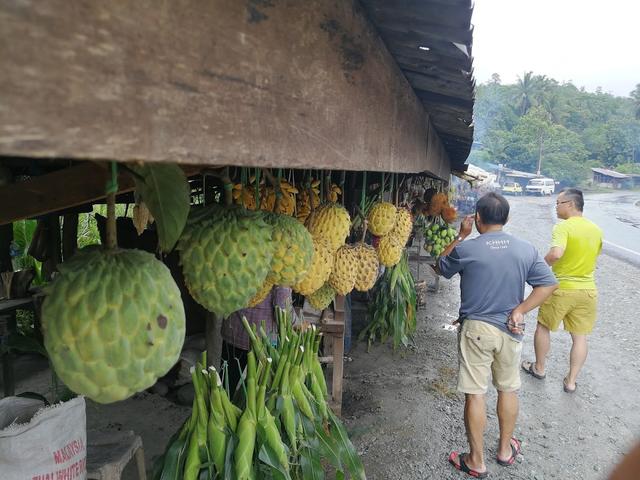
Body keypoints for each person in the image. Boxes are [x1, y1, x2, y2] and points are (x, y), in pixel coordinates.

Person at [436, 192, 557, 478]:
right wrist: (520, 310)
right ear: (507, 219)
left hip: (476, 330)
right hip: (510, 330)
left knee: (475, 394)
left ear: (477, 218)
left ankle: (476, 461)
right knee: (508, 388)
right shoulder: (525, 249)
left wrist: (461, 236)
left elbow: (441, 266)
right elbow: (548, 284)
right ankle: (504, 450)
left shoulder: (468, 249)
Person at [521, 188, 603, 393]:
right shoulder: (596, 229)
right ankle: (571, 382)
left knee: (543, 327)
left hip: (561, 289)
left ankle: (539, 369)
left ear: (570, 204)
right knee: (580, 336)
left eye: (558, 203)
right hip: (588, 291)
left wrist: (539, 266)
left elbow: (556, 253)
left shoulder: (563, 227)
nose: (556, 206)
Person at [221, 286, 293, 390]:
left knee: (227, 380)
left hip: (233, 328)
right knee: (257, 386)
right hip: (260, 339)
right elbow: (282, 309)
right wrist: (297, 322)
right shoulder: (283, 273)